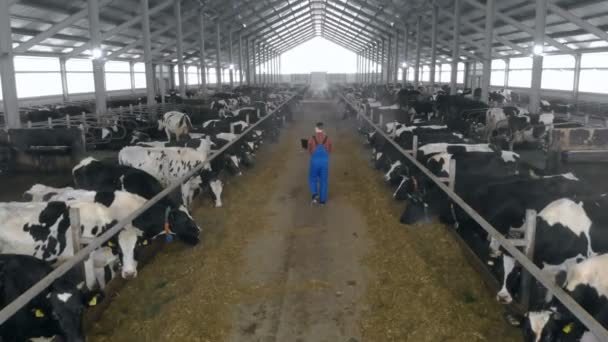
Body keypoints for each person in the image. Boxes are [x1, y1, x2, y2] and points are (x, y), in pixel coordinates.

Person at [308, 122, 332, 205]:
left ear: (316, 128)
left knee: (313, 178)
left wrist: (314, 153)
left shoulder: (312, 138)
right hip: (324, 162)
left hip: (315, 162)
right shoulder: (327, 138)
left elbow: (310, 150)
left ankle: (315, 195)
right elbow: (329, 150)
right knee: (324, 181)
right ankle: (322, 201)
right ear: (322, 129)